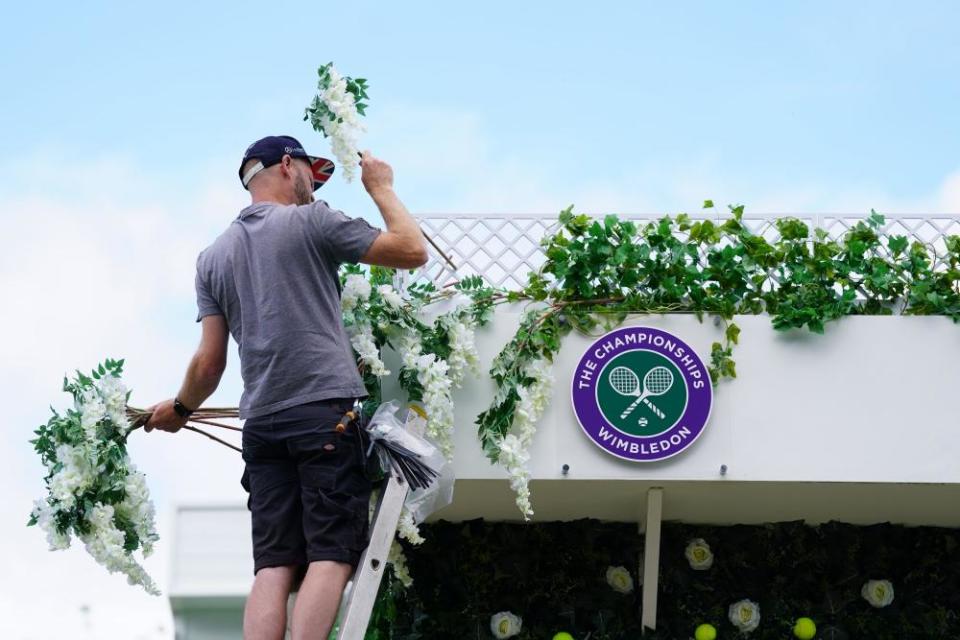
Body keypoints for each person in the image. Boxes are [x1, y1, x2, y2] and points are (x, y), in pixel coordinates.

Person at [144, 135, 428, 640]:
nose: (312, 187)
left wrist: (181, 408)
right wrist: (381, 187)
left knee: (273, 566)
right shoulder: (312, 221)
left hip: (262, 428)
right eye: (309, 176)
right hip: (323, 416)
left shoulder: (212, 258)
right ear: (286, 165)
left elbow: (209, 364)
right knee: (331, 553)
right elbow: (411, 250)